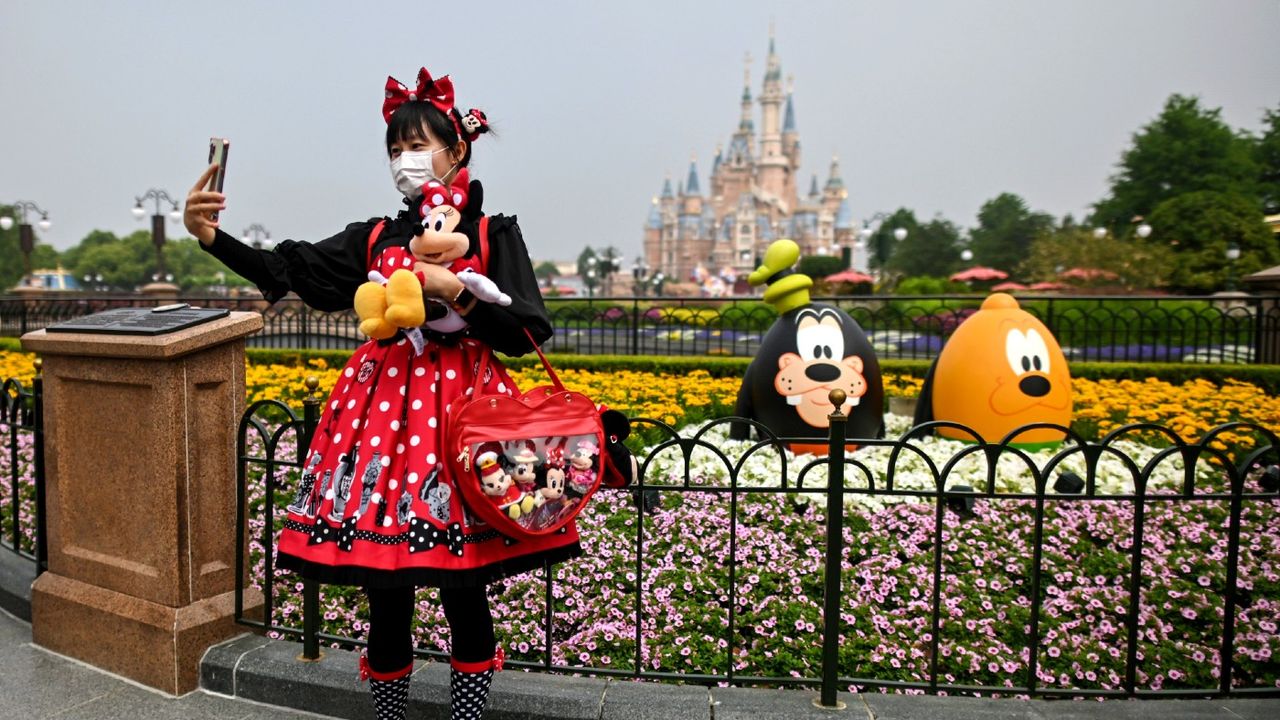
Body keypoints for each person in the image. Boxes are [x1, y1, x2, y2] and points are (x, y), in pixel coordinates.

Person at [184, 66, 577, 720]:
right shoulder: (377, 237)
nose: (406, 160)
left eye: (419, 146)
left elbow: (525, 331)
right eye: (395, 149)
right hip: (383, 432)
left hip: (462, 429)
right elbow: (291, 268)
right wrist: (210, 237)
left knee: (464, 587)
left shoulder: (489, 234)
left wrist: (457, 295)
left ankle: (467, 715)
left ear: (458, 150)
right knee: (385, 586)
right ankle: (389, 715)